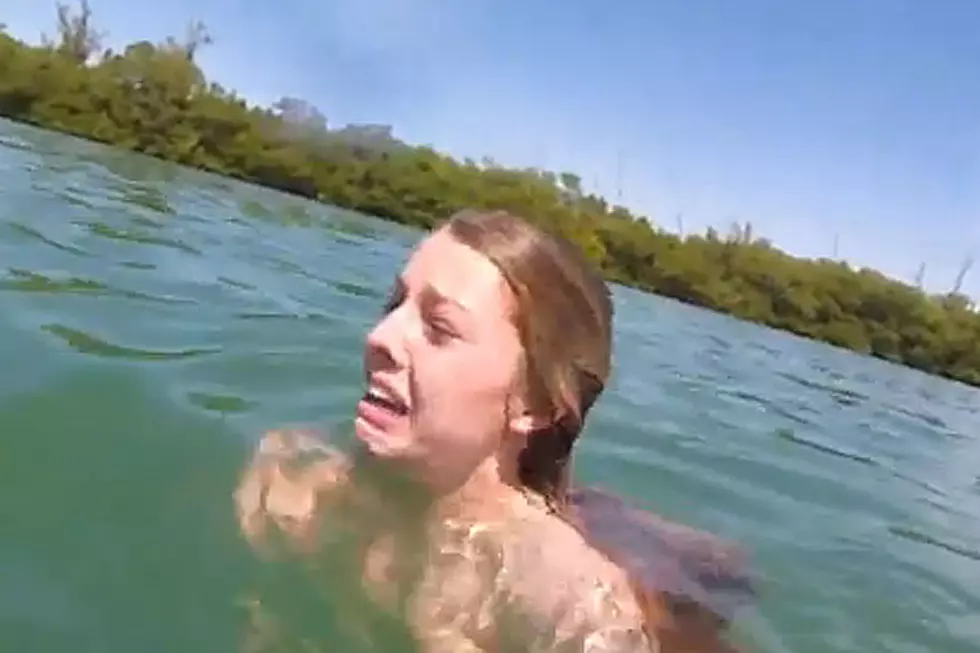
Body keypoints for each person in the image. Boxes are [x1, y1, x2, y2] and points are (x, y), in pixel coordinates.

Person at [234, 209, 754, 652]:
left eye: (439, 328)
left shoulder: (563, 595)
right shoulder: (293, 473)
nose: (379, 337)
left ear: (534, 403)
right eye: (394, 304)